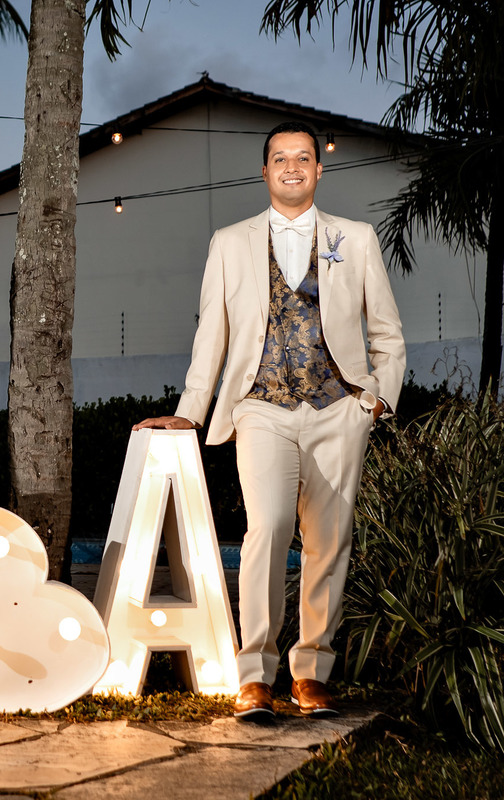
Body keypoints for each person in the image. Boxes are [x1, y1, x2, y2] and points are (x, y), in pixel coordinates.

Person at [134, 121, 405, 720]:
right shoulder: (230, 242)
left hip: (339, 407)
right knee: (268, 528)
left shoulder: (354, 238)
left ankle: (311, 673)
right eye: (280, 158)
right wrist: (188, 414)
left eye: (302, 158)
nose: (291, 167)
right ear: (264, 171)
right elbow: (212, 335)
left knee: (329, 543)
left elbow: (386, 332)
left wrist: (375, 401)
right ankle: (255, 674)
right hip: (260, 406)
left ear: (318, 169)